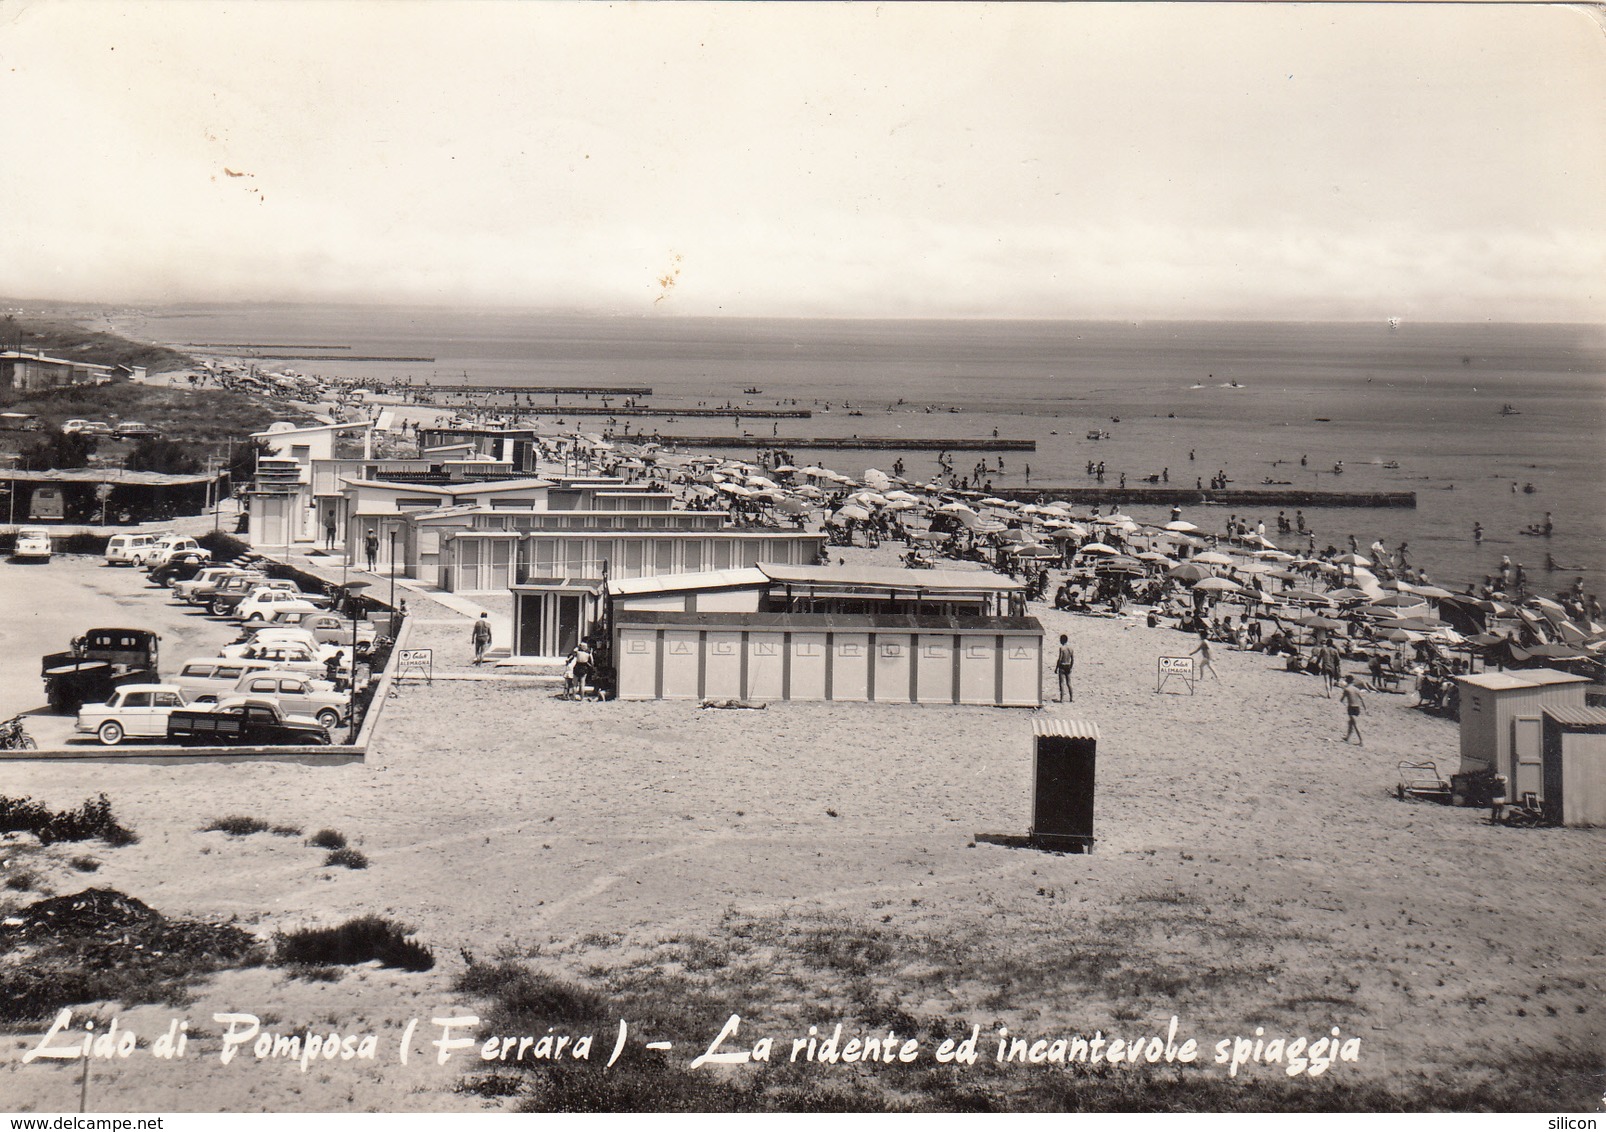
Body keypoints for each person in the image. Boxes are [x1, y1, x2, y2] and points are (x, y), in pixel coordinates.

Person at [1340, 675, 1366, 745]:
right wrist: (1365, 709)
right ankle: (1347, 738)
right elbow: (1362, 699)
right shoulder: (1357, 689)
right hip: (1357, 708)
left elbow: (1341, 700)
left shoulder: (1347, 689)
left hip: (1351, 707)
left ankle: (1361, 741)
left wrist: (1344, 704)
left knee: (1355, 725)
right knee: (1350, 723)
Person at [1054, 634, 1075, 702]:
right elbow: (1072, 659)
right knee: (1069, 683)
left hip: (1062, 666)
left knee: (1062, 683)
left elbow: (1060, 659)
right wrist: (1071, 666)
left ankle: (1062, 698)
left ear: (1062, 640)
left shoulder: (1062, 648)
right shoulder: (1071, 648)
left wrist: (1056, 668)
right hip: (1068, 665)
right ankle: (1071, 698)